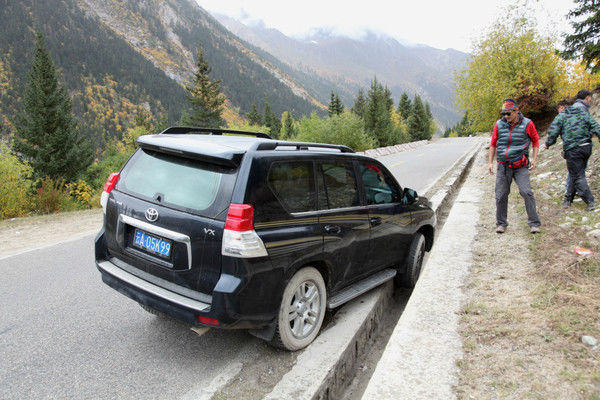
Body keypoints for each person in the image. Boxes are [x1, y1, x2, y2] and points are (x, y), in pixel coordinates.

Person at [488, 99, 541, 234]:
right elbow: (493, 144)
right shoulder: (499, 125)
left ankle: (534, 223)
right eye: (504, 114)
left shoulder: (528, 124)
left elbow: (535, 141)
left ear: (516, 111)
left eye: (509, 113)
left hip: (520, 165)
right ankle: (501, 223)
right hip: (503, 165)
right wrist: (490, 162)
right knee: (500, 195)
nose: (506, 116)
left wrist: (534, 159)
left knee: (526, 192)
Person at [545, 89, 600, 211]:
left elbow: (553, 132)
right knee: (576, 173)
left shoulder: (562, 116)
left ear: (563, 107)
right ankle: (567, 199)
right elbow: (596, 126)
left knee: (577, 175)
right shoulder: (583, 113)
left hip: (573, 149)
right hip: (587, 147)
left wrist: (548, 144)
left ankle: (590, 202)